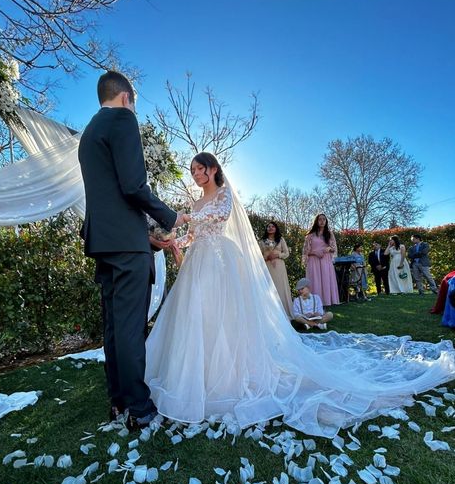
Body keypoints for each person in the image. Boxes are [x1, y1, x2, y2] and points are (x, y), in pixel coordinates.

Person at [145, 152, 455, 437]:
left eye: (200, 169)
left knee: (224, 315)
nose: (196, 174)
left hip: (221, 261)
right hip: (200, 262)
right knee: (199, 315)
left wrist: (187, 219)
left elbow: (220, 218)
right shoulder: (195, 203)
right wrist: (171, 242)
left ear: (213, 169)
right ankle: (197, 373)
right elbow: (192, 235)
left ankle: (227, 374)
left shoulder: (224, 195)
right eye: (193, 171)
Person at [78, 70, 188, 427]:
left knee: (113, 326)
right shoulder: (123, 121)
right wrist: (171, 218)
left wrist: (149, 236)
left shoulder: (89, 132)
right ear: (127, 98)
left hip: (103, 241)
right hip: (126, 243)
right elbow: (133, 186)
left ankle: (118, 400)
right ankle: (140, 409)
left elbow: (107, 194)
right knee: (129, 327)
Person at [302, 214, 340, 306]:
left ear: (326, 221)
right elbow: (305, 252)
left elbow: (334, 248)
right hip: (313, 260)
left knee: (326, 280)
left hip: (325, 260)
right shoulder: (310, 235)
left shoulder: (329, 234)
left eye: (324, 219)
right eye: (320, 219)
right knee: (315, 280)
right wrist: (315, 253)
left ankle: (327, 301)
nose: (322, 221)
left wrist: (328, 249)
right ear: (316, 221)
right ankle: (314, 302)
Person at [259, 221, 294, 319]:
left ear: (276, 228)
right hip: (267, 267)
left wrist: (278, 255)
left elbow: (286, 253)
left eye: (272, 226)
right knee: (268, 287)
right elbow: (257, 255)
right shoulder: (262, 241)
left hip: (279, 267)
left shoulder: (281, 240)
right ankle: (269, 314)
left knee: (280, 288)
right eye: (268, 226)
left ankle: (283, 313)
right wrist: (266, 257)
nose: (270, 228)